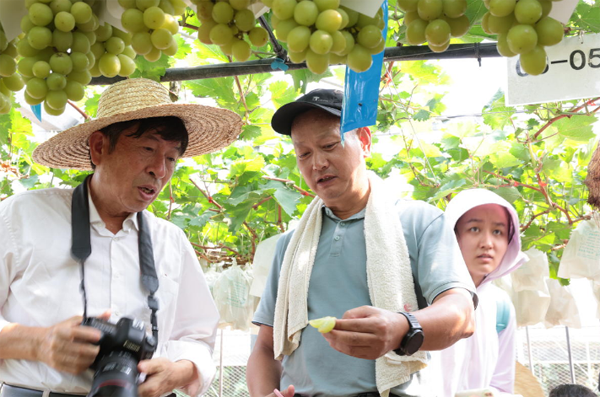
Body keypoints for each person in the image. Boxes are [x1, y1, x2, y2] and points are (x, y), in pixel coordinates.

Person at [0, 78, 242, 397]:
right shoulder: (23, 216)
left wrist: (179, 370)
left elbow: (197, 338)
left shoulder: (170, 240)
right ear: (99, 147)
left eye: (171, 157)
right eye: (148, 149)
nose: (160, 170)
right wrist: (37, 342)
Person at [246, 88, 478, 397]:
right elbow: (265, 346)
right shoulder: (290, 246)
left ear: (364, 142)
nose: (317, 163)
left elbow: (461, 313)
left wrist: (401, 327)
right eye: (303, 153)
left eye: (329, 145)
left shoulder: (418, 221)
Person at [439, 189, 528, 396]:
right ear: (452, 234)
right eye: (474, 229)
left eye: (498, 232)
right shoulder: (423, 294)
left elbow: (501, 384)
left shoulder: (501, 305)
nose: (487, 243)